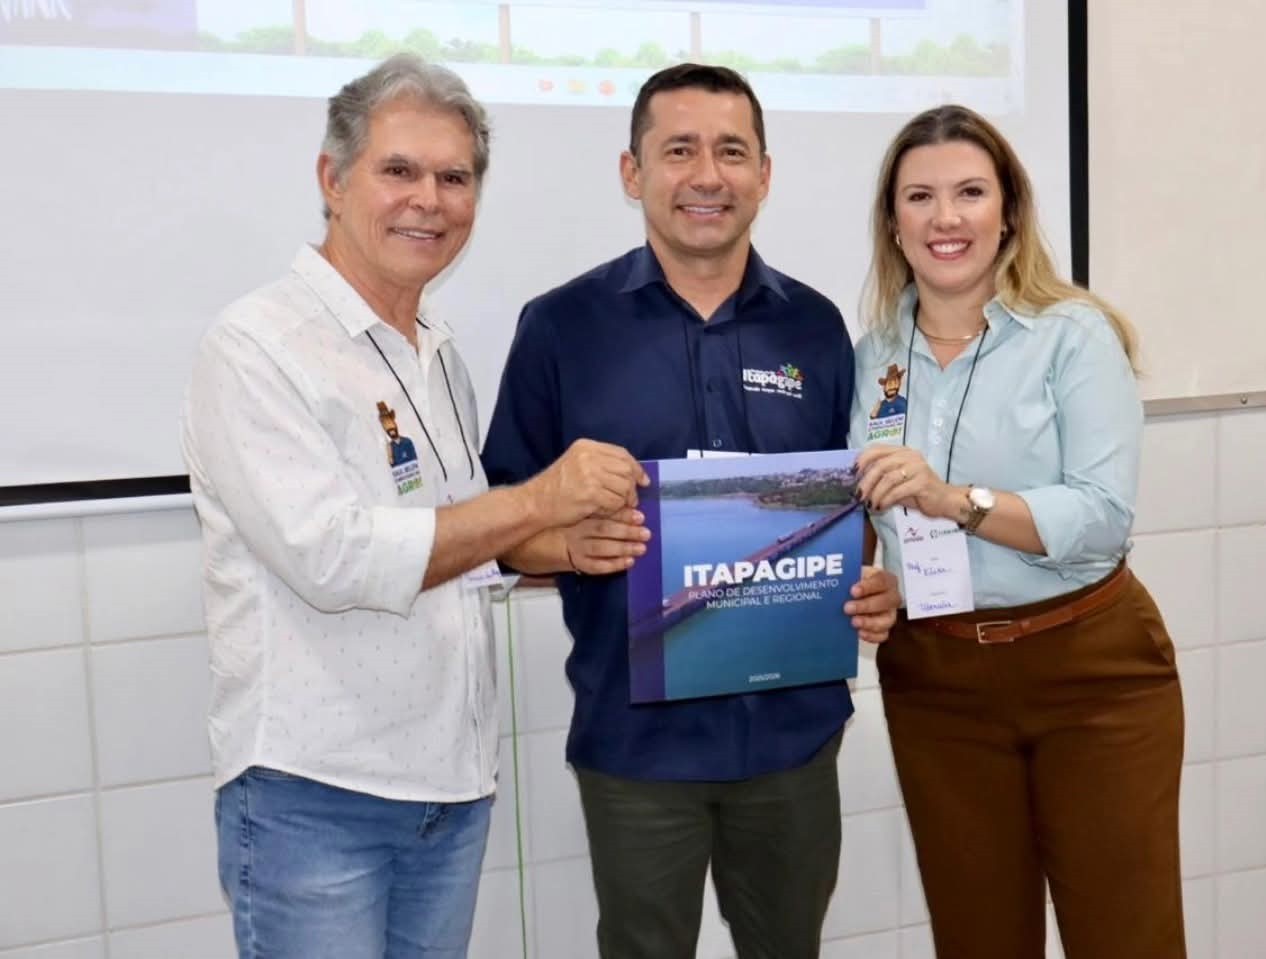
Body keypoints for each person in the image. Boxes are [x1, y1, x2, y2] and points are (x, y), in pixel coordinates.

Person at [181, 54, 645, 959]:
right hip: (315, 795)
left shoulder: (436, 351)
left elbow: (453, 538)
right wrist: (538, 498)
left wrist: (559, 543)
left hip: (448, 788)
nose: (428, 200)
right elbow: (336, 559)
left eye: (454, 178)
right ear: (332, 178)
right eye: (399, 170)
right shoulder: (255, 346)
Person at [481, 63, 902, 959]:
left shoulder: (816, 327)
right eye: (678, 150)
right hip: (637, 745)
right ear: (632, 172)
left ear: (764, 174)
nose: (706, 175)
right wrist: (568, 542)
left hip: (792, 736)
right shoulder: (560, 327)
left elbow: (851, 503)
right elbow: (503, 526)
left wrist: (867, 579)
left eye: (731, 152)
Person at [851, 104, 1185, 959]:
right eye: (919, 196)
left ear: (1008, 212)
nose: (945, 217)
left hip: (1089, 671)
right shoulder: (872, 355)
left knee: (1126, 938)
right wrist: (876, 580)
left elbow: (1101, 518)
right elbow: (866, 508)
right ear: (892, 222)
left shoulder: (1073, 336)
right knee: (977, 940)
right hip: (935, 681)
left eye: (969, 192)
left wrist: (954, 499)